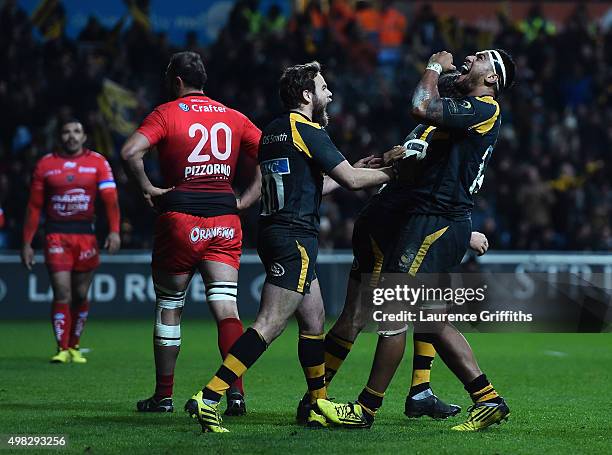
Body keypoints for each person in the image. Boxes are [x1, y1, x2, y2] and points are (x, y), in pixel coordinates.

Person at [185, 61, 406, 433]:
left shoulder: (273, 131)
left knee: (314, 319)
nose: (329, 94)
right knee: (270, 324)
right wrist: (393, 174)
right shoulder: (308, 129)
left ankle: (319, 404)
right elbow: (351, 181)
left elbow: (311, 185)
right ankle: (209, 396)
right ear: (307, 96)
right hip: (294, 238)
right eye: (323, 87)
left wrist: (355, 168)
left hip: (275, 232)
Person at [317, 48, 516, 432]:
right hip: (427, 219)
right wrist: (398, 159)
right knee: (430, 319)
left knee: (394, 315)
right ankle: (487, 398)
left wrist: (431, 66)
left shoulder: (485, 108)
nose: (468, 59)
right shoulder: (459, 115)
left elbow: (422, 106)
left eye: (479, 59)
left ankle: (365, 409)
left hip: (434, 222)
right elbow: (428, 155)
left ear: (492, 79)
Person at [121, 51, 262, 416]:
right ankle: (235, 394)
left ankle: (163, 397)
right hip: (224, 220)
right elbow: (270, 153)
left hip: (180, 218)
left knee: (170, 306)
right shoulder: (233, 116)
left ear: (177, 81)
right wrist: (248, 196)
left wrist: (148, 189)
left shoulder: (166, 113)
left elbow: (129, 151)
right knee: (227, 308)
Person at [21, 119, 121, 364]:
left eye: (76, 131)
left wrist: (115, 231)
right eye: (66, 132)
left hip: (86, 235)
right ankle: (61, 348)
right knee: (62, 291)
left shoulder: (98, 162)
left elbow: (110, 200)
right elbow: (34, 206)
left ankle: (74, 345)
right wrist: (27, 242)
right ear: (60, 137)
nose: (71, 136)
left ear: (84, 136)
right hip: (56, 234)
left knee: (80, 293)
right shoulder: (46, 164)